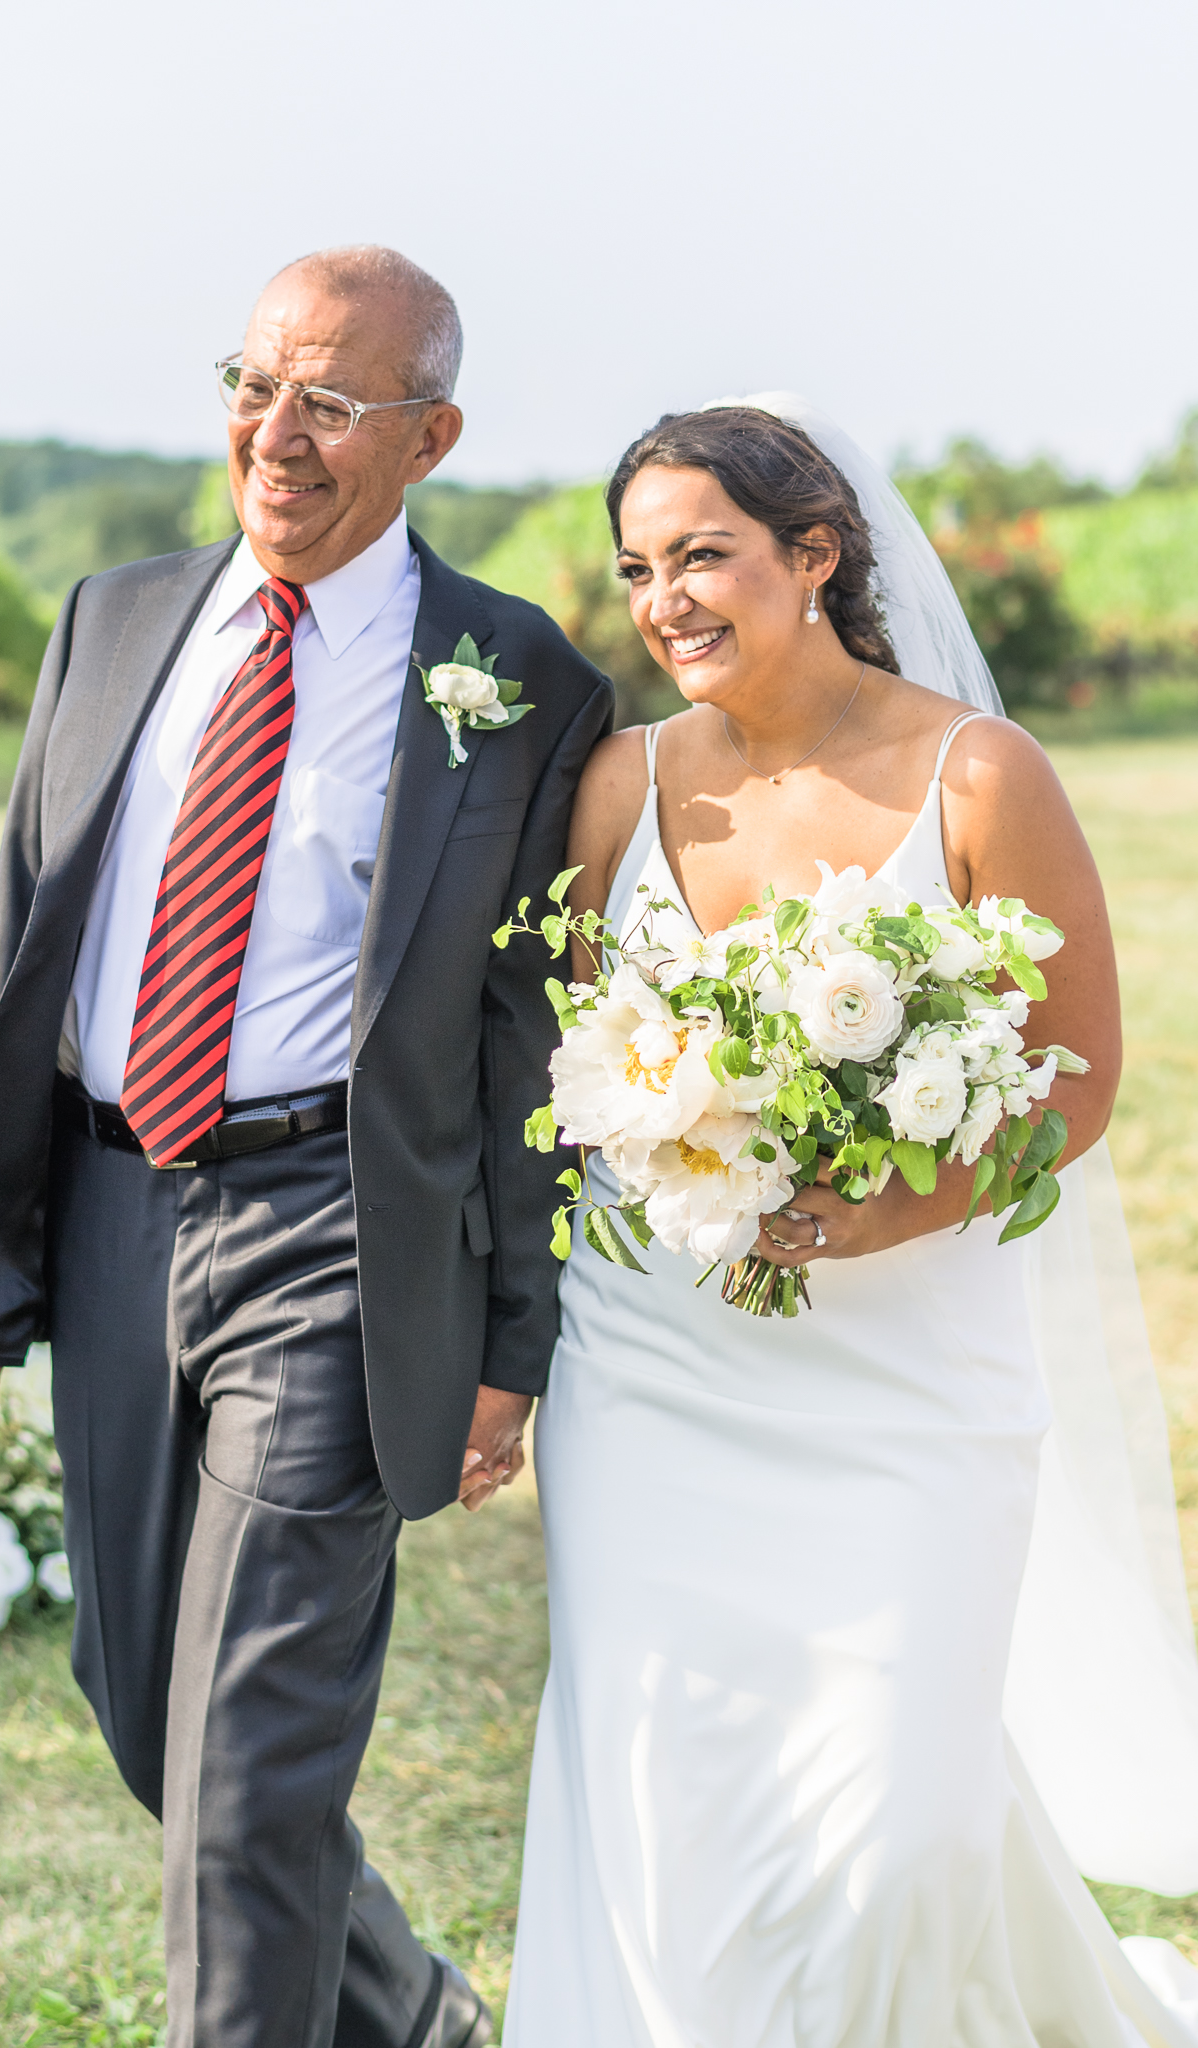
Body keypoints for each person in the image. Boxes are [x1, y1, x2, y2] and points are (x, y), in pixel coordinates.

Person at [0, 245, 613, 2048]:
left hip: (337, 1235)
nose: (272, 435)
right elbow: (11, 965)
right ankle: (417, 2018)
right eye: (252, 383)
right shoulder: (112, 619)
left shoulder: (512, 682)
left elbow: (532, 1051)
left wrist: (508, 1347)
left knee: (249, 1747)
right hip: (117, 1212)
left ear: (430, 435)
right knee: (156, 1716)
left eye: (331, 402)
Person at [504, 398, 1198, 2044]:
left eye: (703, 556)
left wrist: (895, 1208)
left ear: (812, 556)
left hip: (905, 1387)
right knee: (665, 1790)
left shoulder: (975, 772)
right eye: (639, 568)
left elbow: (1076, 1077)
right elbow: (584, 1066)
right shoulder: (620, 782)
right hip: (659, 1374)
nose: (664, 598)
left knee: (895, 1825)